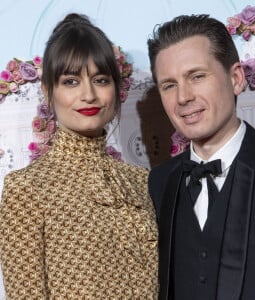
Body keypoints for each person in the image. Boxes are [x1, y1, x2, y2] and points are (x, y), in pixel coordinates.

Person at [0, 13, 158, 299]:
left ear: (115, 89)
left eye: (100, 80)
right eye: (71, 81)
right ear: (48, 91)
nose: (89, 95)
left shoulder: (142, 182)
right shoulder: (26, 189)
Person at [147, 14, 255, 300]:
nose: (183, 97)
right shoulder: (158, 183)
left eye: (197, 76)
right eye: (169, 85)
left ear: (236, 79)